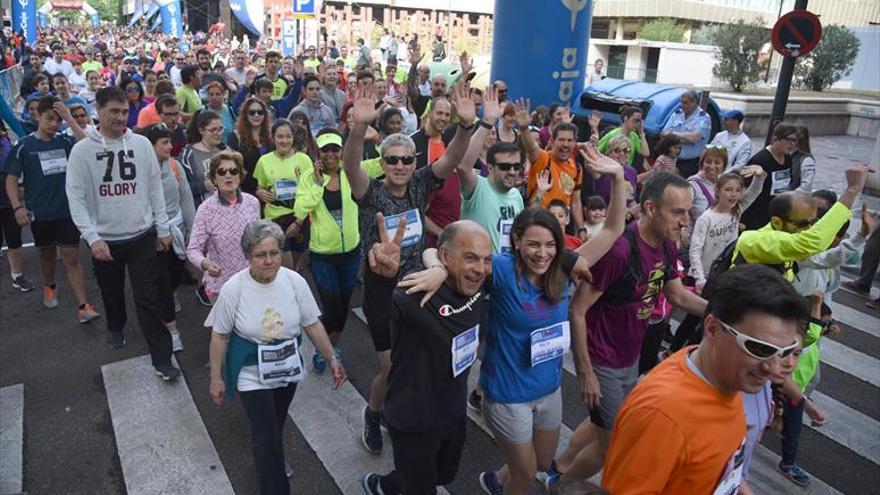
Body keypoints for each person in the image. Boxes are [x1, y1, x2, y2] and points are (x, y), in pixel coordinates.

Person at [550, 173, 709, 487]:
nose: (685, 220)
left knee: (607, 422)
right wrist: (586, 371)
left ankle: (560, 465)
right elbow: (577, 309)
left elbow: (677, 296)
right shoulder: (620, 251)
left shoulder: (665, 245)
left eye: (688, 212)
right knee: (615, 450)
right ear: (650, 208)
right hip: (603, 359)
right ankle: (562, 484)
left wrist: (725, 314)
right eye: (678, 212)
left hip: (629, 357)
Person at [342, 81, 475, 456]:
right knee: (391, 367)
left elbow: (451, 160)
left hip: (419, 284)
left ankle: (406, 414)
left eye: (406, 159)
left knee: (420, 360)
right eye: (392, 160)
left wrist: (466, 127)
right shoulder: (370, 191)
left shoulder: (419, 184)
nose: (399, 166)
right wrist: (357, 130)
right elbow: (351, 165)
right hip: (383, 289)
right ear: (382, 163)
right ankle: (373, 412)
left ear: (414, 162)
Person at [600, 264, 809, 495]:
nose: (771, 366)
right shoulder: (662, 414)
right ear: (712, 328)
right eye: (759, 348)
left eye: (785, 351)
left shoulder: (727, 375)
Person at [207, 219, 346, 495]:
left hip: (286, 367)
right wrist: (216, 378)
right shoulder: (234, 289)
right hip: (250, 371)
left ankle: (271, 455)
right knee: (266, 431)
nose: (269, 261)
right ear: (248, 255)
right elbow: (219, 336)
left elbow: (312, 324)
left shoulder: (294, 281)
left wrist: (332, 358)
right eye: (261, 255)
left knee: (276, 421)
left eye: (274, 253)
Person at [360, 220, 492, 495]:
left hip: (453, 412)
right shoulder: (418, 292)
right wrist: (381, 279)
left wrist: (435, 263)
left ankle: (387, 485)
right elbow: (382, 313)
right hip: (414, 419)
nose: (480, 269)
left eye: (486, 260)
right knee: (421, 486)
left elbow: (534, 257)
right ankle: (387, 484)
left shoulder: (478, 282)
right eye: (470, 258)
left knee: (440, 474)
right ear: (447, 257)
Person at [65, 86, 180, 380]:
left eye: (124, 111)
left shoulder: (141, 145)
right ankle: (116, 326)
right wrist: (92, 237)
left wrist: (162, 227)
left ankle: (162, 359)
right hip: (106, 241)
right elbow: (75, 197)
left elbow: (154, 188)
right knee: (111, 292)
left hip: (142, 236)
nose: (120, 117)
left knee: (148, 298)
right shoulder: (82, 151)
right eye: (113, 111)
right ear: (98, 111)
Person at [4, 96, 98, 321]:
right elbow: (11, 178)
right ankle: (49, 284)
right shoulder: (24, 146)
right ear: (38, 116)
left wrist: (68, 118)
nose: (54, 124)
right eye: (49, 119)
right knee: (46, 256)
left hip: (67, 211)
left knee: (71, 257)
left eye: (57, 120)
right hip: (41, 214)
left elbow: (87, 145)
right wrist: (18, 207)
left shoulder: (65, 141)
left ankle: (84, 306)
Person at [735, 163, 869, 282]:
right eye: (802, 224)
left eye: (812, 222)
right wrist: (852, 189)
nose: (808, 229)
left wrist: (861, 236)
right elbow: (813, 241)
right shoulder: (754, 240)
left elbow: (824, 259)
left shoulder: (788, 247)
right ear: (776, 222)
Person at [141, 124, 196, 351]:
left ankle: (172, 295)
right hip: (154, 233)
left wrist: (191, 229)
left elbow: (186, 198)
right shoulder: (141, 169)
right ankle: (172, 331)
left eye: (169, 142)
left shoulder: (174, 165)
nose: (169, 146)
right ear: (150, 146)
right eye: (164, 142)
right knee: (162, 281)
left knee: (175, 273)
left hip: (177, 228)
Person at [187, 151, 261, 305]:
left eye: (233, 171)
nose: (228, 175)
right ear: (214, 179)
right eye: (221, 172)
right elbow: (193, 249)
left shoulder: (253, 202)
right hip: (220, 284)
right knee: (224, 329)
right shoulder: (205, 209)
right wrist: (206, 264)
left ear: (240, 176)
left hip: (251, 279)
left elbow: (257, 241)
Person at [688, 168, 766, 292]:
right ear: (717, 191)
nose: (733, 194)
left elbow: (754, 192)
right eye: (728, 189)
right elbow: (695, 250)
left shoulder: (737, 210)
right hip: (704, 275)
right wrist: (700, 279)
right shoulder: (706, 218)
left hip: (725, 272)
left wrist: (759, 176)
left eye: (738, 190)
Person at [253, 120, 314, 270]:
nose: (284, 141)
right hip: (275, 217)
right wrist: (260, 192)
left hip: (299, 216)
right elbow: (259, 187)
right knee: (285, 264)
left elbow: (312, 193)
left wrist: (299, 222)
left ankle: (293, 287)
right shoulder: (264, 161)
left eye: (288, 136)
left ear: (293, 137)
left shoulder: (304, 160)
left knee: (295, 263)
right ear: (273, 138)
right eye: (280, 137)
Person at [520, 100, 584, 234]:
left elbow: (576, 202)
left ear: (574, 143)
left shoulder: (577, 168)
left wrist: (581, 229)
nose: (566, 144)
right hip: (538, 226)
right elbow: (531, 148)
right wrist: (525, 128)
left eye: (570, 140)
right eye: (561, 140)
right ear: (552, 141)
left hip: (561, 231)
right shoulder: (543, 159)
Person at [740, 122, 799, 231]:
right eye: (789, 140)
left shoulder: (788, 159)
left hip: (775, 213)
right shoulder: (760, 160)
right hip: (755, 216)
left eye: (795, 140)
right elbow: (745, 190)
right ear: (776, 139)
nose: (792, 144)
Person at [179, 110, 226, 209]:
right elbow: (181, 188)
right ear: (201, 131)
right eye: (213, 130)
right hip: (203, 209)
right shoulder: (188, 156)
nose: (218, 133)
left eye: (220, 129)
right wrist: (203, 186)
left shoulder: (227, 150)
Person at [228, 97, 273, 196]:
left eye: (260, 112)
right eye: (252, 112)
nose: (256, 115)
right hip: (248, 193)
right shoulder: (235, 137)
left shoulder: (272, 135)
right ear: (245, 115)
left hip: (272, 191)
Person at [661, 90, 711, 177]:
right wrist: (684, 138)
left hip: (690, 163)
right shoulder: (677, 114)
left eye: (684, 103)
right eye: (681, 102)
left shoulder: (703, 118)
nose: (681, 105)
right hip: (671, 158)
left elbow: (694, 138)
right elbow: (663, 133)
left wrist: (673, 135)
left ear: (694, 102)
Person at [789, 124, 816, 195]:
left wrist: (788, 196)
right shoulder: (786, 154)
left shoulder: (807, 160)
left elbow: (806, 186)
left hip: (793, 199)